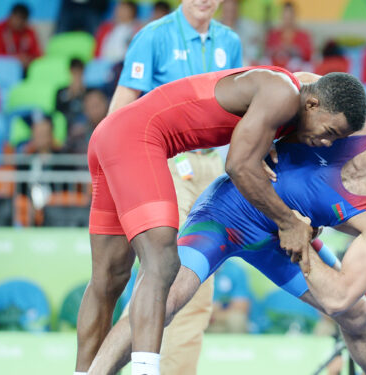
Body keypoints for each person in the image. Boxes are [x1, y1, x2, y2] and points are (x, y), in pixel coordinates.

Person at [85, 79, 366, 373]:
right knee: (165, 299)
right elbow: (290, 92)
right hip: (227, 216)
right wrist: (259, 136)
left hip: (283, 242)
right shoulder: (354, 122)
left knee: (359, 314)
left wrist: (298, 240)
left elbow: (338, 297)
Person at [77, 1, 244, 374]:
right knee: (163, 271)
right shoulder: (153, 37)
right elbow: (122, 105)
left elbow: (234, 112)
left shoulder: (229, 42)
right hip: (162, 157)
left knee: (197, 286)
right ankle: (113, 366)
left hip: (212, 165)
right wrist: (105, 174)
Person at [0, 3, 41, 70]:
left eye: (24, 19)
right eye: (18, 18)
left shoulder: (29, 32)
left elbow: (37, 55)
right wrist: (16, 59)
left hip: (25, 69)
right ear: (10, 16)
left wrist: (28, 60)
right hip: (2, 69)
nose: (20, 22)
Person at [265, 1, 313, 72]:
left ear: (294, 16)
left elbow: (308, 56)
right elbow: (267, 53)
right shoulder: (274, 35)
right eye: (285, 16)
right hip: (277, 71)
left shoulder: (303, 36)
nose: (287, 20)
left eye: (290, 16)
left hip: (296, 73)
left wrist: (294, 50)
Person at [207, 259, 252, 333]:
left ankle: (236, 344)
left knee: (237, 319)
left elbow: (241, 306)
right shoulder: (190, 268)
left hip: (220, 317)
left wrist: (212, 313)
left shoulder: (235, 269)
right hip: (196, 318)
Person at [56, 58, 87, 129]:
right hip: (66, 125)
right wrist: (70, 94)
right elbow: (57, 111)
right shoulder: (60, 91)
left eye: (79, 73)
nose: (77, 76)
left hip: (83, 125)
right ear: (70, 72)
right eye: (74, 72)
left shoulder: (88, 92)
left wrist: (81, 93)